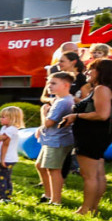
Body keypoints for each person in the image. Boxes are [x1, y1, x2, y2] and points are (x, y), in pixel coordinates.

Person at [60, 58, 112, 215]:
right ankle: (93, 208)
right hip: (98, 135)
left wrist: (76, 116)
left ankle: (85, 209)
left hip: (91, 136)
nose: (87, 72)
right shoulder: (105, 89)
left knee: (89, 176)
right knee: (97, 174)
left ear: (101, 72)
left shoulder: (102, 89)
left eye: (91, 69)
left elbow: (102, 115)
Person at [34, 73, 76, 206]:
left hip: (57, 140)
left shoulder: (62, 102)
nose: (49, 86)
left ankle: (56, 200)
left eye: (53, 83)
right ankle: (48, 194)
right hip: (52, 139)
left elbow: (49, 122)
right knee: (40, 165)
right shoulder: (62, 99)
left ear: (66, 85)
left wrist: (43, 113)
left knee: (53, 169)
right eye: (49, 83)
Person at [0, 106, 24, 203]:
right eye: (1, 117)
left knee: (2, 178)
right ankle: (7, 196)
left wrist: (2, 159)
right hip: (5, 158)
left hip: (7, 158)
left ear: (12, 118)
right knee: (6, 177)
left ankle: (4, 197)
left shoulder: (11, 129)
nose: (0, 119)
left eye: (3, 117)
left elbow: (5, 144)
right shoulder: (4, 128)